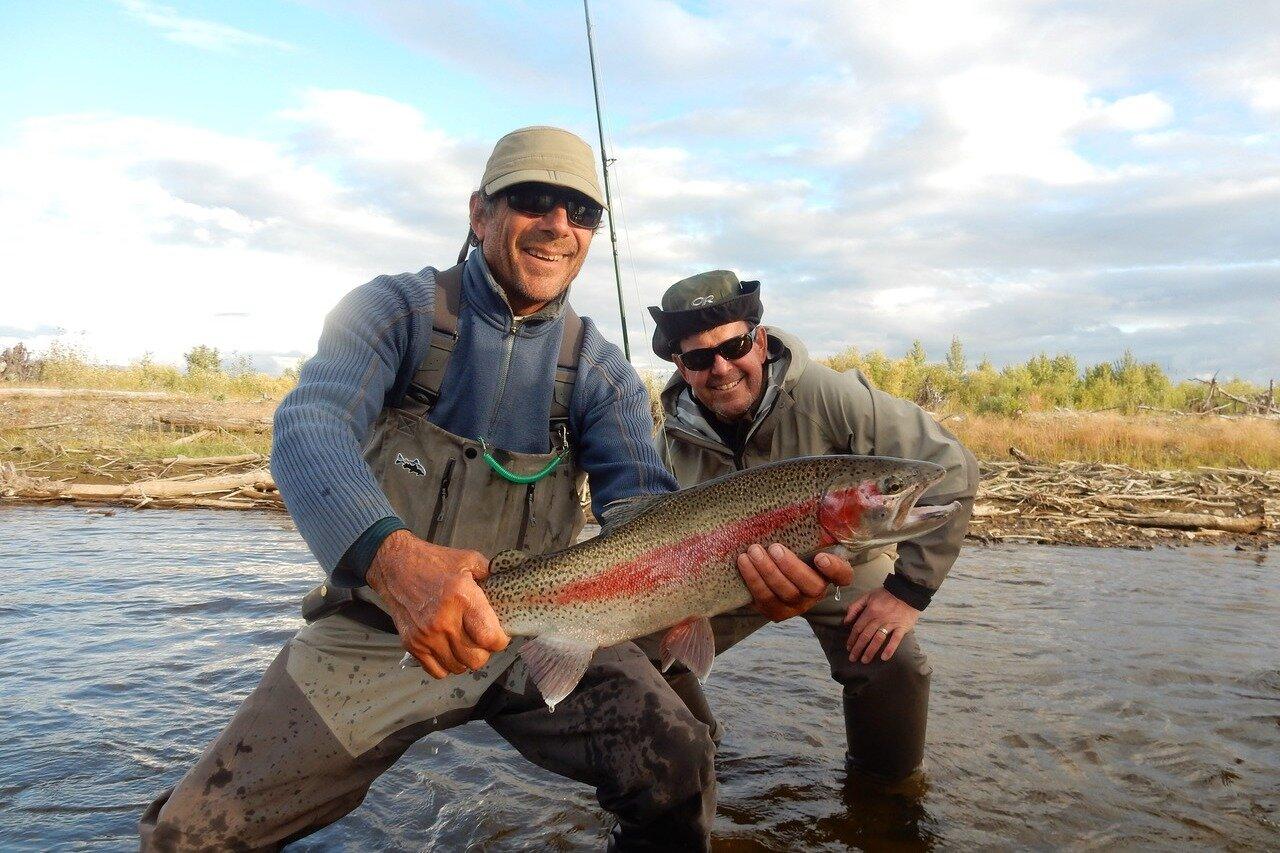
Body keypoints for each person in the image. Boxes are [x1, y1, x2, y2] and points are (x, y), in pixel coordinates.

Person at [140, 127, 736, 851]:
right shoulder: (394, 312)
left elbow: (646, 511)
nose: (558, 225)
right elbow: (310, 426)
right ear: (480, 213)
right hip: (376, 630)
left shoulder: (601, 372)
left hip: (537, 632)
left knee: (683, 761)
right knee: (187, 836)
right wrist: (392, 561)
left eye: (581, 211)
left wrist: (738, 571)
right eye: (533, 200)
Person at [644, 270, 978, 785]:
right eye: (699, 357)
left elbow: (951, 468)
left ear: (759, 339)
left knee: (891, 659)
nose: (722, 367)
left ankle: (887, 797)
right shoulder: (669, 438)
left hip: (841, 561)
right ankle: (699, 762)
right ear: (679, 365)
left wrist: (908, 593)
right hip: (716, 575)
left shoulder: (831, 395)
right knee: (636, 662)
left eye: (734, 346)